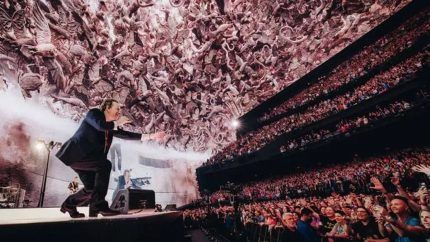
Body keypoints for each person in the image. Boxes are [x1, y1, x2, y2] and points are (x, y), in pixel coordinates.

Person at [56, 99, 165, 218]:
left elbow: (126, 135)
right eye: (117, 108)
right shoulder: (94, 113)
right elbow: (100, 125)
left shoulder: (110, 127)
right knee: (105, 165)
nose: (120, 111)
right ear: (107, 108)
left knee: (91, 189)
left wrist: (151, 136)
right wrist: (117, 123)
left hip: (86, 160)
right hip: (76, 155)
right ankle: (98, 206)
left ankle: (69, 205)